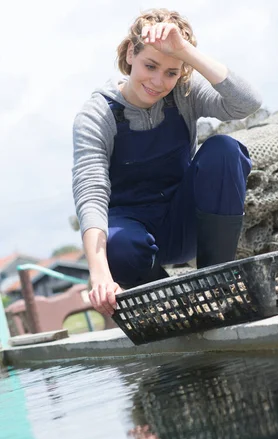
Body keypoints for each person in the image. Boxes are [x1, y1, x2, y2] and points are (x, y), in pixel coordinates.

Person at [72, 8, 262, 315]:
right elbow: (90, 192)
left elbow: (247, 103)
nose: (158, 82)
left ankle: (215, 285)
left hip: (182, 223)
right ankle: (172, 307)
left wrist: (186, 52)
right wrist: (99, 274)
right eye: (150, 65)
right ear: (131, 53)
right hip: (131, 236)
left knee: (225, 149)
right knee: (118, 246)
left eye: (171, 72)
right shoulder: (96, 115)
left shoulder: (184, 93)